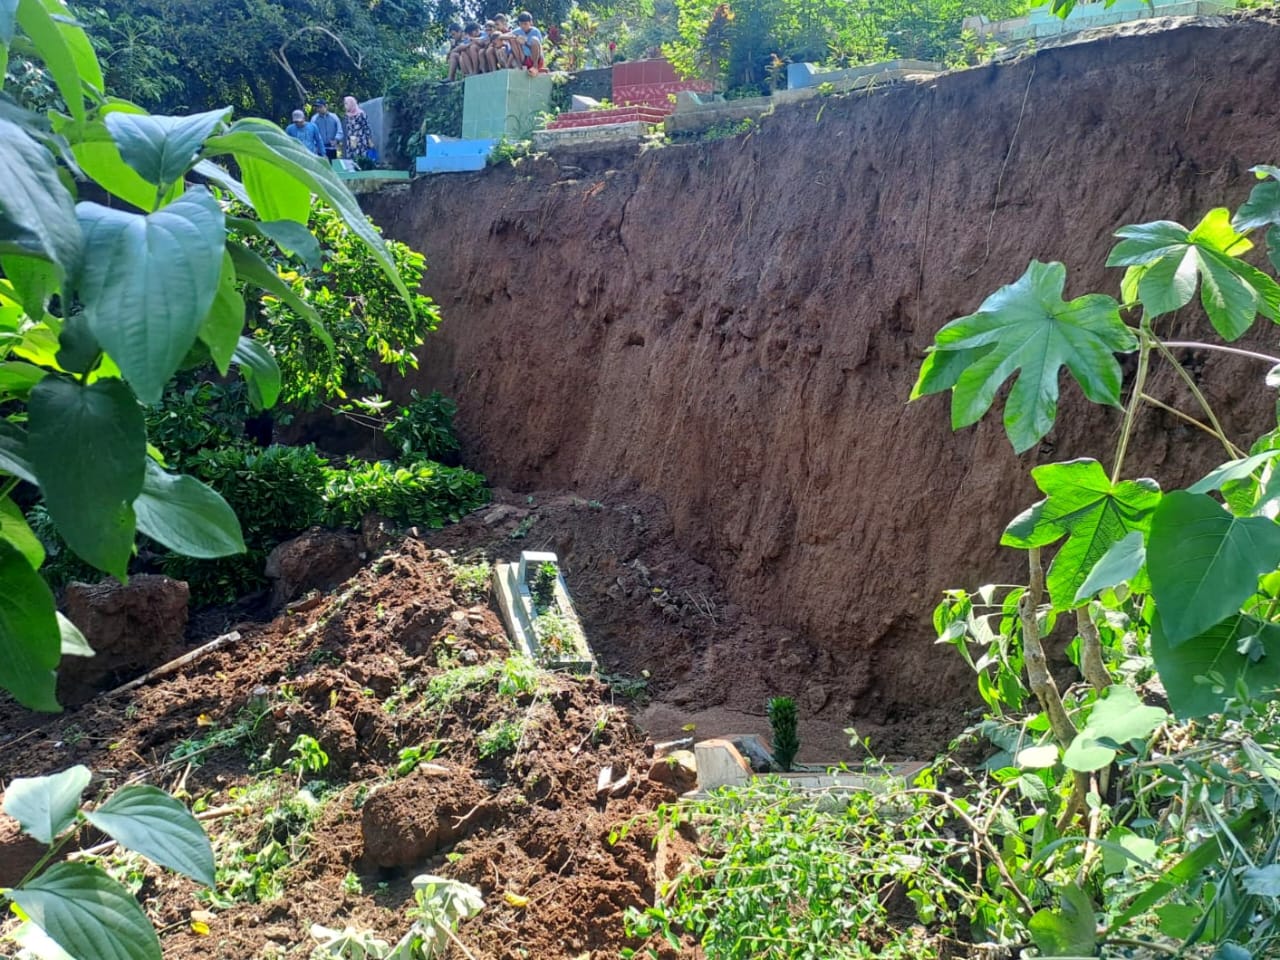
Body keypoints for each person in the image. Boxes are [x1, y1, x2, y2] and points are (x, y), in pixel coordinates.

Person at [342, 96, 374, 161]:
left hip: (361, 141)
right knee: (352, 159)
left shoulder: (361, 114)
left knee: (360, 159)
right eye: (345, 104)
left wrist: (369, 140)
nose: (345, 106)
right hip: (351, 140)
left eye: (346, 104)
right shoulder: (347, 115)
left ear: (351, 104)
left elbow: (366, 127)